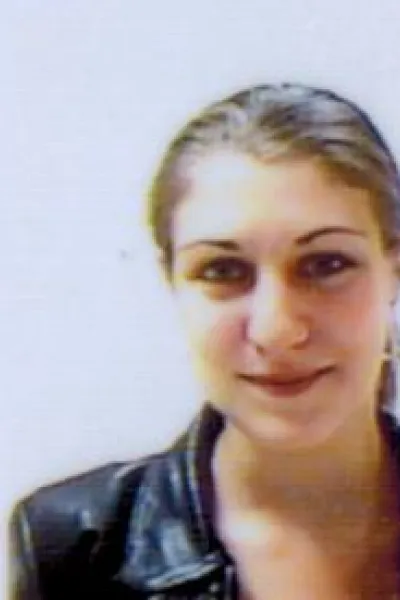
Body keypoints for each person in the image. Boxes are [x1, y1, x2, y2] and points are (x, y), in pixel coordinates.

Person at [9, 83, 400, 599]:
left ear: (394, 270)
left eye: (325, 264)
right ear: (171, 280)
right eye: (223, 270)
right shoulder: (78, 548)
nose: (275, 329)